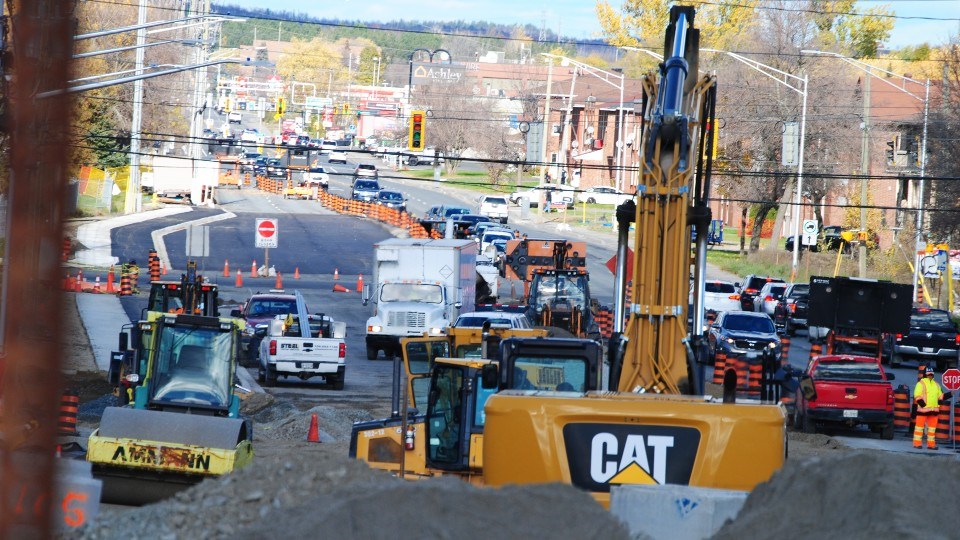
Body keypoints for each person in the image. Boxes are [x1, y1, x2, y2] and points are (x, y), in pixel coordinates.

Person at [913, 365, 951, 449]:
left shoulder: (936, 385)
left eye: (931, 374)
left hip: (934, 411)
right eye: (928, 373)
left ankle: (931, 445)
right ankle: (917, 443)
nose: (930, 375)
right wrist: (923, 405)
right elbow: (917, 395)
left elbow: (940, 396)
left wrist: (950, 394)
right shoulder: (921, 383)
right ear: (925, 374)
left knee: (932, 430)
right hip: (922, 411)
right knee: (919, 428)